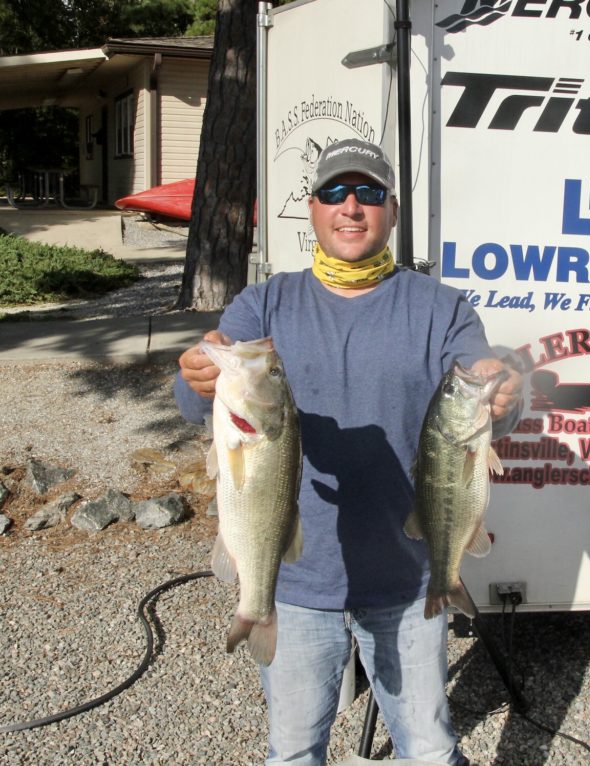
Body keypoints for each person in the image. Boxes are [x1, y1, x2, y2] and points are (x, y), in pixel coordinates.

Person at [174, 137, 524, 766]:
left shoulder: (442, 307)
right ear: (311, 207)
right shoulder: (265, 302)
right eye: (335, 192)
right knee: (294, 750)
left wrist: (506, 393)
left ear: (392, 210)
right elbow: (202, 398)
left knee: (427, 748)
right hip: (295, 580)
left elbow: (486, 391)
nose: (351, 206)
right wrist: (195, 375)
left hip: (408, 576)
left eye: (369, 193)